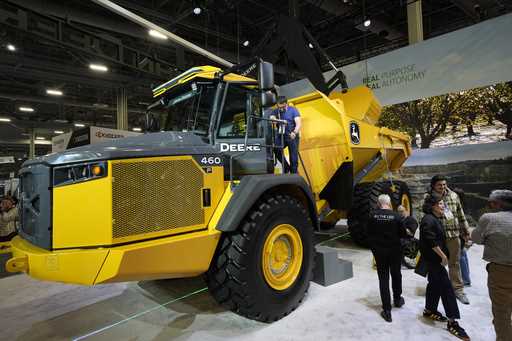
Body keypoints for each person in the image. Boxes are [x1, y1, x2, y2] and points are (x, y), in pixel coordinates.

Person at [420, 194, 470, 341]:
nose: (443, 206)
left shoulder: (435, 218)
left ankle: (429, 309)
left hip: (434, 260)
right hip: (434, 260)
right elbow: (430, 241)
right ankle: (452, 321)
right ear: (432, 206)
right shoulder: (428, 220)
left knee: (434, 285)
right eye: (441, 204)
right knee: (447, 289)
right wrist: (443, 256)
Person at [471, 190, 512, 341]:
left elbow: (476, 238)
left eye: (491, 203)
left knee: (502, 313)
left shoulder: (489, 218)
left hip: (501, 272)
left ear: (497, 204)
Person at [425, 175, 470, 305]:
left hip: (453, 235)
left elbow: (460, 214)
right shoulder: (428, 198)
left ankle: (458, 290)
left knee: (454, 263)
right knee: (435, 263)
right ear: (434, 185)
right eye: (440, 185)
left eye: (444, 184)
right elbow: (426, 217)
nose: (443, 187)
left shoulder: (454, 196)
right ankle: (436, 288)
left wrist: (466, 231)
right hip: (438, 237)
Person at [367, 194, 406, 322]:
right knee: (396, 274)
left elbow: (368, 234)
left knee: (383, 278)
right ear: (389, 204)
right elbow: (403, 234)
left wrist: (374, 248)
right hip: (395, 251)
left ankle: (387, 310)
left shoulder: (372, 216)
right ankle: (397, 299)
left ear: (378, 203)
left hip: (379, 252)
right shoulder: (397, 216)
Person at [270, 96, 301, 174]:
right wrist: (277, 120)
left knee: (293, 159)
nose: (280, 109)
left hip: (292, 136)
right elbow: (272, 118)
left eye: (282, 107)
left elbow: (298, 123)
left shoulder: (293, 110)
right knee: (276, 149)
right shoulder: (276, 111)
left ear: (286, 104)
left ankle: (294, 174)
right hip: (281, 136)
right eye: (279, 107)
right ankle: (286, 167)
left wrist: (295, 132)